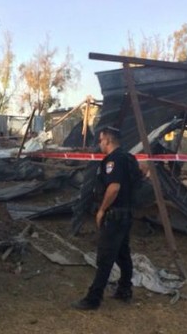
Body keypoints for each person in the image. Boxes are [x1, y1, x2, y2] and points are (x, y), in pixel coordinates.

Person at [71, 126, 135, 310]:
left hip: (114, 215)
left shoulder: (114, 160)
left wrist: (101, 210)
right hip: (126, 214)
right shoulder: (129, 158)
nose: (99, 143)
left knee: (105, 258)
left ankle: (93, 299)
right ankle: (124, 289)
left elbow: (114, 188)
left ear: (107, 140)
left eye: (100, 140)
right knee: (123, 254)